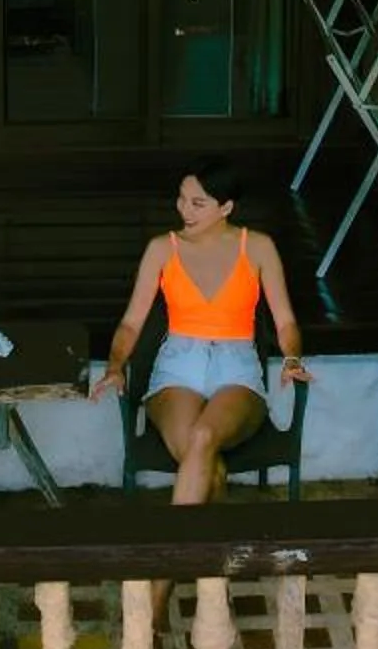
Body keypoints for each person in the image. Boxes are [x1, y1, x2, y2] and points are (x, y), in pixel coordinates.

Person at [91, 160, 310, 507]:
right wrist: (115, 367)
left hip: (236, 366)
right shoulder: (163, 248)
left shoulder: (257, 246)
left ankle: (178, 557)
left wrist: (292, 359)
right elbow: (131, 322)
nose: (184, 210)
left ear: (226, 207)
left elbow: (285, 321)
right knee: (211, 466)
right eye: (181, 199)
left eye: (198, 203)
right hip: (178, 366)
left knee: (204, 435)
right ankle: (206, 559)